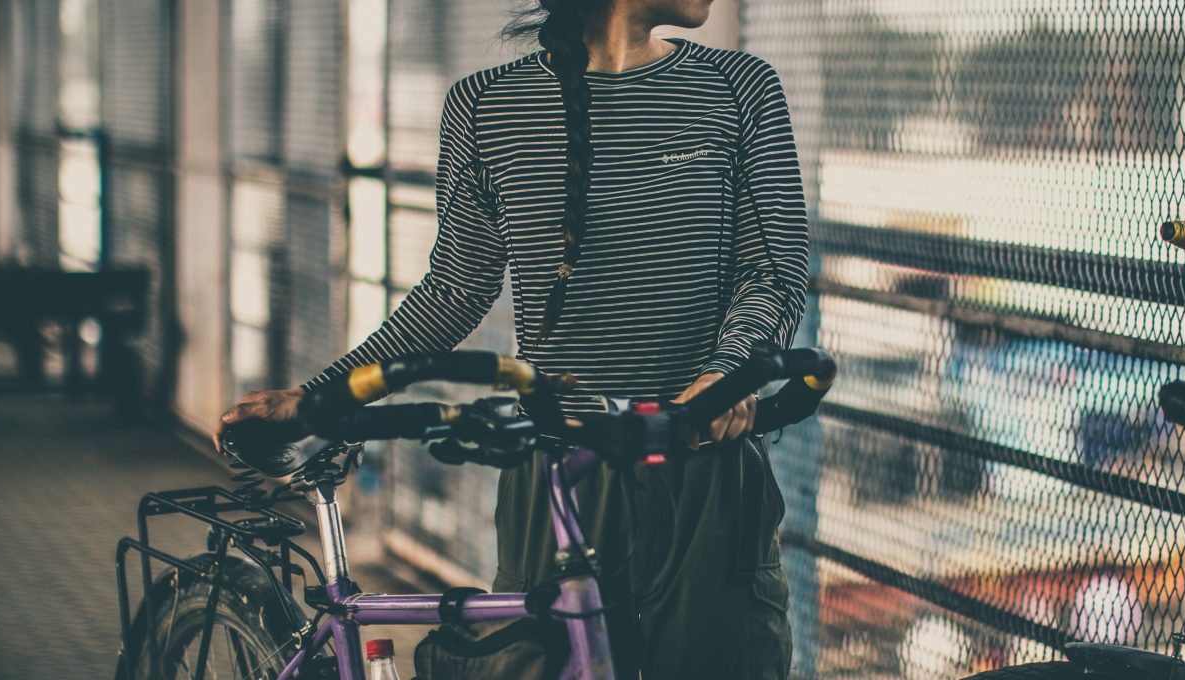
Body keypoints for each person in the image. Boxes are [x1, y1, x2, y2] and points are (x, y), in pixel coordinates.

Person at [220, 1, 809, 677]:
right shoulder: (486, 105)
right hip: (555, 472)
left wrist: (726, 372)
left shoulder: (738, 87)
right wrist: (317, 397)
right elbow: (454, 291)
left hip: (706, 465)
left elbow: (775, 271)